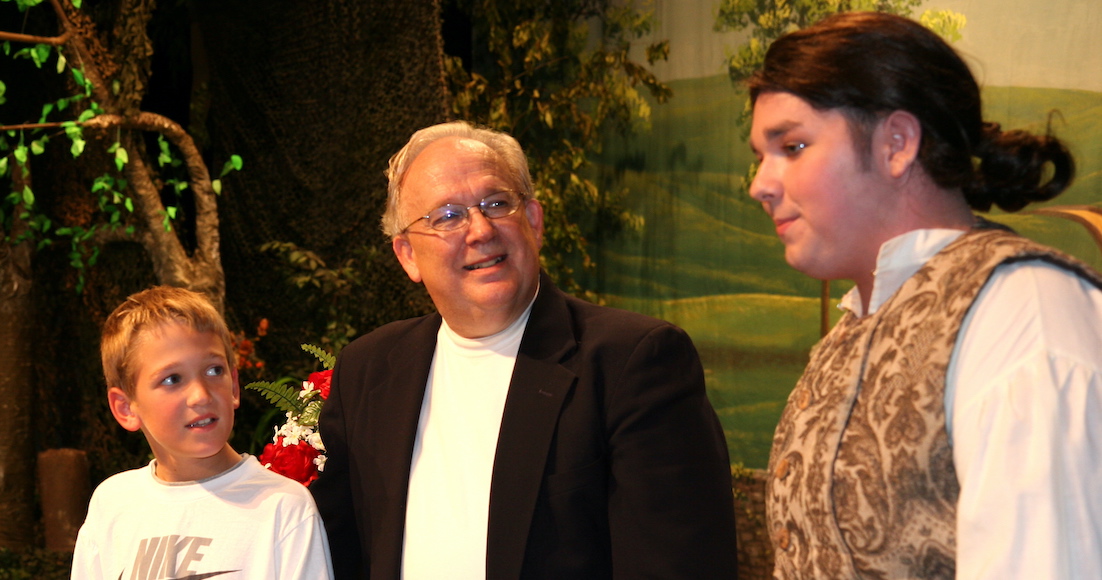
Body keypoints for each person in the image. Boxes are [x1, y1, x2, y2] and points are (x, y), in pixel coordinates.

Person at [747, 11, 1102, 579]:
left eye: (792, 146)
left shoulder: (1022, 312)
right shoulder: (853, 331)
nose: (759, 185)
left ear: (896, 143)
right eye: (759, 156)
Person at [308, 121, 737, 579]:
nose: (479, 230)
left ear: (533, 220)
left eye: (496, 204)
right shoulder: (369, 370)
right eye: (447, 216)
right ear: (408, 255)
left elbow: (679, 565)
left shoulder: (632, 363)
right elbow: (337, 553)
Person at [72, 286, 334, 580]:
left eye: (213, 371)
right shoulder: (112, 504)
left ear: (234, 386)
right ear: (125, 408)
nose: (200, 395)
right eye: (172, 379)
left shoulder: (283, 508)